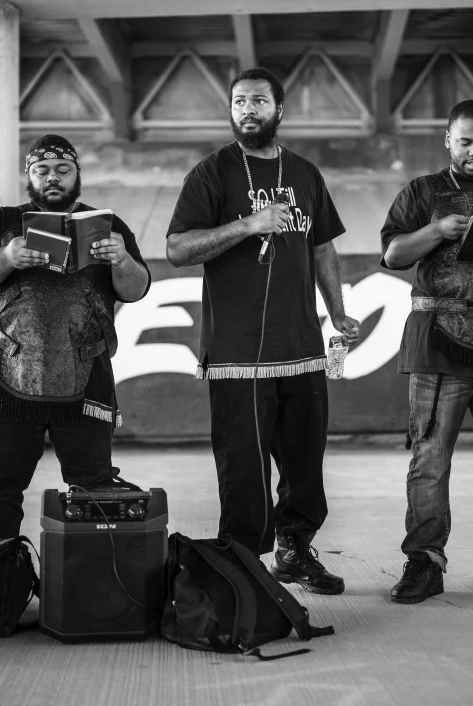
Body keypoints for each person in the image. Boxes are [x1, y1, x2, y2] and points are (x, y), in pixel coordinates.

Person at [166, 67, 359, 594]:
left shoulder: (305, 173)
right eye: (238, 102)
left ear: (280, 111)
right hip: (237, 352)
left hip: (301, 347)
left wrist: (337, 311)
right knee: (244, 471)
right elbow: (178, 249)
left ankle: (295, 552)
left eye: (258, 101)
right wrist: (246, 225)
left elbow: (322, 246)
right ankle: (243, 565)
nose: (247, 110)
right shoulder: (211, 173)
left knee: (304, 464)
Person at [381, 100, 473, 603]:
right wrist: (437, 232)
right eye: (465, 141)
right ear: (448, 140)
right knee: (429, 459)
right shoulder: (421, 192)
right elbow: (393, 254)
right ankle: (424, 561)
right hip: (437, 349)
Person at [0, 135, 150, 541]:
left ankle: (89, 587)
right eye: (42, 170)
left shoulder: (110, 226)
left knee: (93, 488)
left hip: (87, 375)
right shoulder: (4, 222)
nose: (53, 177)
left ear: (77, 175)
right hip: (9, 378)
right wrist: (7, 258)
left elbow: (135, 290)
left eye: (63, 170)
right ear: (28, 176)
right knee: (1, 489)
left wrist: (121, 259)